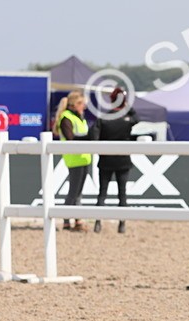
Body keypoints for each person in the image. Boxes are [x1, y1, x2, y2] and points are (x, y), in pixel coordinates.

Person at [91, 88, 137, 234]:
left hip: (105, 160)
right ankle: (122, 224)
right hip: (122, 160)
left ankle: (98, 223)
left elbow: (94, 137)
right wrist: (126, 104)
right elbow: (137, 117)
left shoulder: (104, 118)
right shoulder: (127, 119)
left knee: (102, 193)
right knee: (122, 193)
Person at [52, 89, 92, 231]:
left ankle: (77, 219)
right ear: (75, 104)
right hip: (74, 158)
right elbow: (70, 138)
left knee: (78, 192)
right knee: (73, 192)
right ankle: (67, 220)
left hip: (84, 157)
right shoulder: (67, 118)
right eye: (82, 104)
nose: (84, 107)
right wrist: (89, 137)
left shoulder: (80, 117)